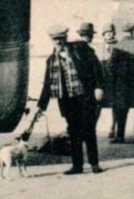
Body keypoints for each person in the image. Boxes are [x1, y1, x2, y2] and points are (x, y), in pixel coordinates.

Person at [37, 25, 104, 175]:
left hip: (85, 96)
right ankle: (77, 166)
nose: (59, 42)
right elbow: (48, 84)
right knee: (73, 132)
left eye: (61, 39)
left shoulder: (80, 49)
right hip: (67, 100)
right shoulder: (51, 61)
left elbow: (97, 68)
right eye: (55, 40)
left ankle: (94, 164)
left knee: (88, 129)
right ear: (51, 41)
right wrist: (41, 105)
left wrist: (99, 87)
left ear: (65, 38)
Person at [109, 21, 134, 143]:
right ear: (133, 31)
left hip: (122, 83)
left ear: (123, 31)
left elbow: (111, 67)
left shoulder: (117, 46)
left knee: (122, 110)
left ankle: (120, 136)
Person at [98, 23, 117, 138]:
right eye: (106, 32)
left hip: (114, 81)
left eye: (111, 32)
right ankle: (91, 127)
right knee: (98, 104)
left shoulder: (118, 46)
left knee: (115, 106)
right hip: (103, 80)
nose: (109, 34)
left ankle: (113, 128)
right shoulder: (99, 47)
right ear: (103, 35)